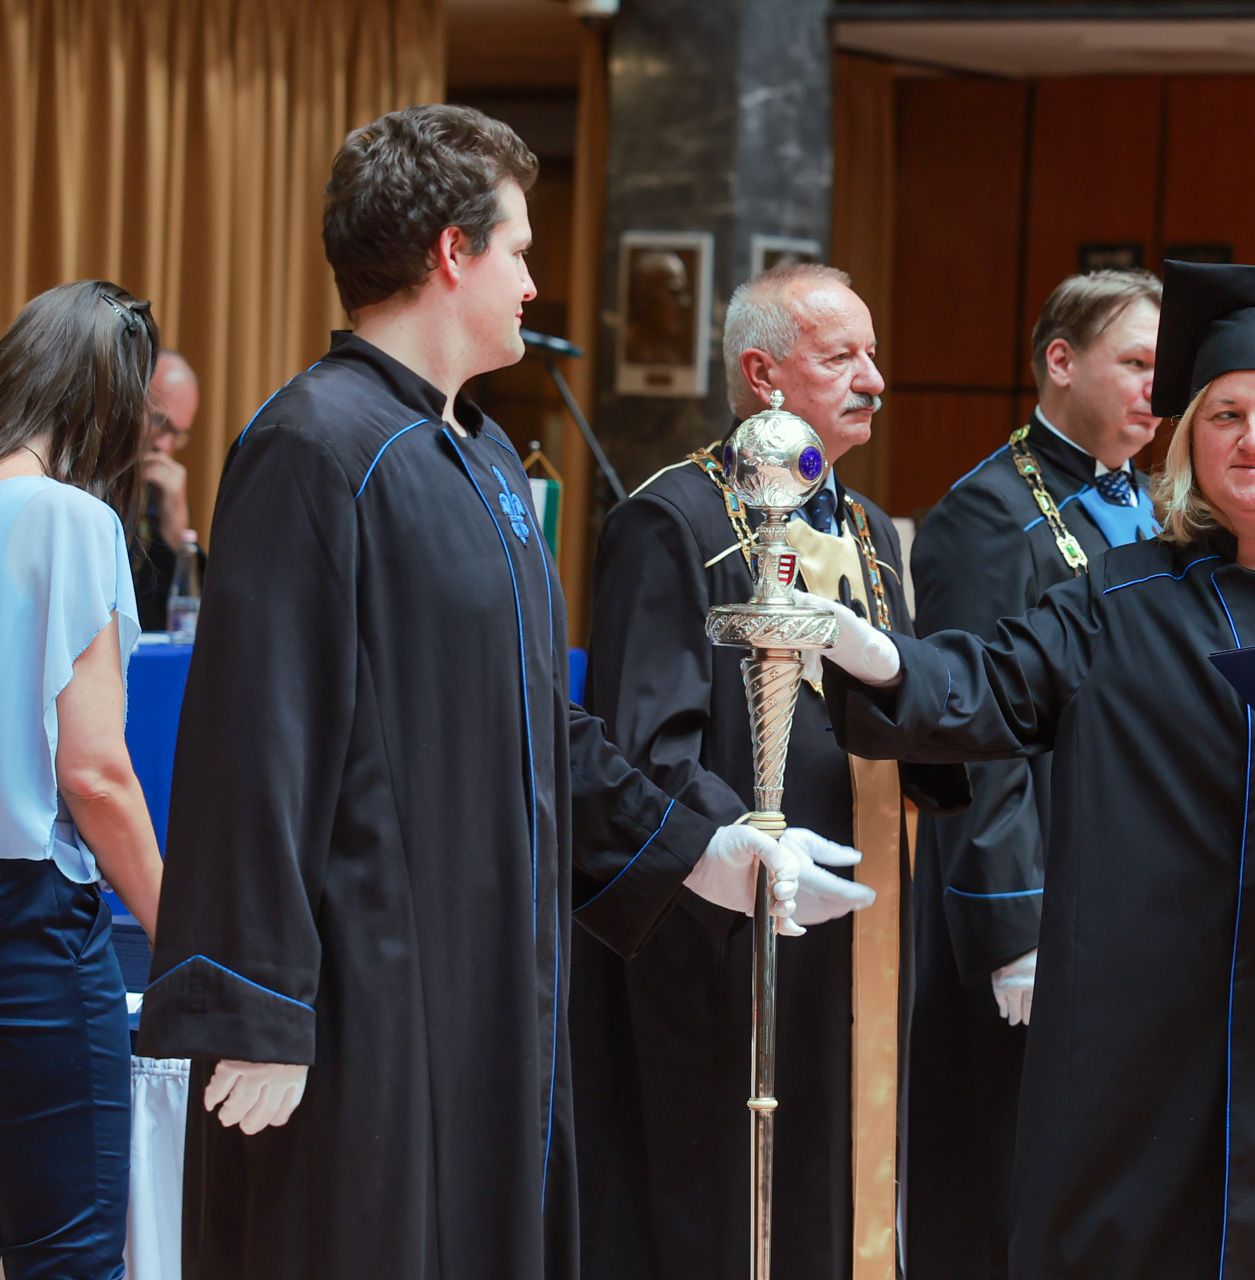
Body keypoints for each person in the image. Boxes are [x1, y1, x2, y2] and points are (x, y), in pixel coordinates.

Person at [136, 105, 826, 1280]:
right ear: (451, 253)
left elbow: (540, 721)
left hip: (494, 981)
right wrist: (254, 1006)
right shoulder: (315, 443)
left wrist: (698, 849)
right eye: (518, 249)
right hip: (364, 993)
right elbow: (256, 735)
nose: (533, 282)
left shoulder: (487, 457)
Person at [810, 261, 1255, 1279]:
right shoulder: (1120, 597)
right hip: (1155, 1033)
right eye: (1225, 415)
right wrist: (884, 658)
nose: (1252, 438)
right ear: (1190, 438)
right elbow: (995, 683)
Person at [571, 263, 963, 1280]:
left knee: (848, 1186)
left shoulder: (870, 530)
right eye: (842, 358)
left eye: (872, 354)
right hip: (736, 930)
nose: (874, 379)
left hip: (865, 923)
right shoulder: (673, 521)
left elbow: (901, 710)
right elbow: (647, 749)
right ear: (763, 374)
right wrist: (746, 856)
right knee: (735, 1202)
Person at [904, 267, 1161, 1279]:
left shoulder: (1151, 504)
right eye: (1135, 362)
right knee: (1006, 1175)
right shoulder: (987, 512)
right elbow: (970, 728)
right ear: (1061, 361)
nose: (1156, 389)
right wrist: (1014, 925)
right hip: (1030, 897)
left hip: (1128, 883)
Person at [0, 280, 167, 1279]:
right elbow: (96, 773)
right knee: (66, 1253)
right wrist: (183, 932)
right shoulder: (68, 518)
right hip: (29, 929)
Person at [132, 349, 201, 630]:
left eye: (178, 434)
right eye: (160, 422)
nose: (164, 446)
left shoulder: (159, 493)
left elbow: (177, 625)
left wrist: (177, 541)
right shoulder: (82, 480)